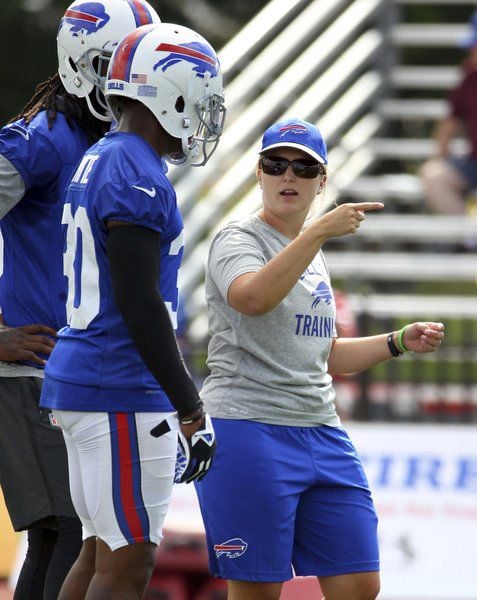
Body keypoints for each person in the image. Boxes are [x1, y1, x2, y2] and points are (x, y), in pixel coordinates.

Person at [194, 117, 445, 600]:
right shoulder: (237, 239)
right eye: (276, 164)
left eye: (304, 168)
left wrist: (396, 341)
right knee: (258, 593)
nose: (289, 175)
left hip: (320, 429)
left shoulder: (312, 251)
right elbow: (252, 298)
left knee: (358, 584)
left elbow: (323, 354)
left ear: (321, 181)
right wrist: (317, 234)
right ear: (258, 173)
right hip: (248, 427)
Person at [39, 22, 225, 600]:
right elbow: (139, 302)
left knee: (100, 553)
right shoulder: (134, 169)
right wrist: (189, 406)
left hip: (90, 380)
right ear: (171, 92)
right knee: (129, 561)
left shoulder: (106, 156)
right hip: (117, 383)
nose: (202, 115)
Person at [0, 1, 161, 598]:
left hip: (79, 371)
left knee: (69, 536)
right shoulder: (40, 142)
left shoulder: (116, 147)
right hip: (34, 369)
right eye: (113, 62)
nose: (126, 79)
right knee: (68, 533)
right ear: (79, 62)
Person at [419, 10, 477, 215]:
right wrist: (439, 157)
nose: (472, 52)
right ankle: (469, 241)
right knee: (434, 174)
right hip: (474, 162)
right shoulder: (470, 75)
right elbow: (449, 123)